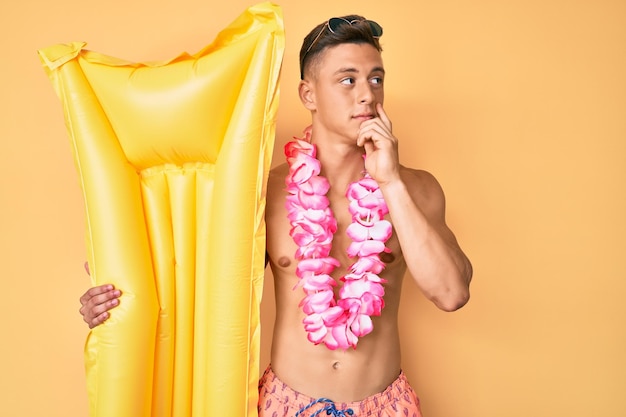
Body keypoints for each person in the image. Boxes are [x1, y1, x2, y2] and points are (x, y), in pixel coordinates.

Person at [79, 15, 472, 417]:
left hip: (386, 403)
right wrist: (118, 299)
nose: (367, 95)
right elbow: (193, 289)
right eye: (348, 79)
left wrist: (389, 180)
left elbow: (451, 293)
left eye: (376, 79)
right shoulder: (262, 193)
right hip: (286, 405)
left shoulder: (416, 189)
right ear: (309, 94)